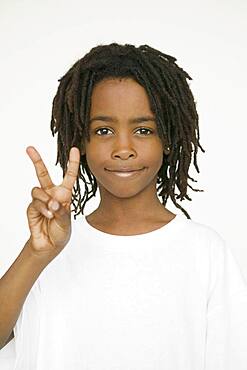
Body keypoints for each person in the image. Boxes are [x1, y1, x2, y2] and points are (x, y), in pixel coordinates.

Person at [0, 43, 247, 370]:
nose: (123, 148)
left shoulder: (205, 252)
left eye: (143, 130)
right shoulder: (49, 252)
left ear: (168, 139)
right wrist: (36, 253)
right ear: (81, 142)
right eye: (103, 130)